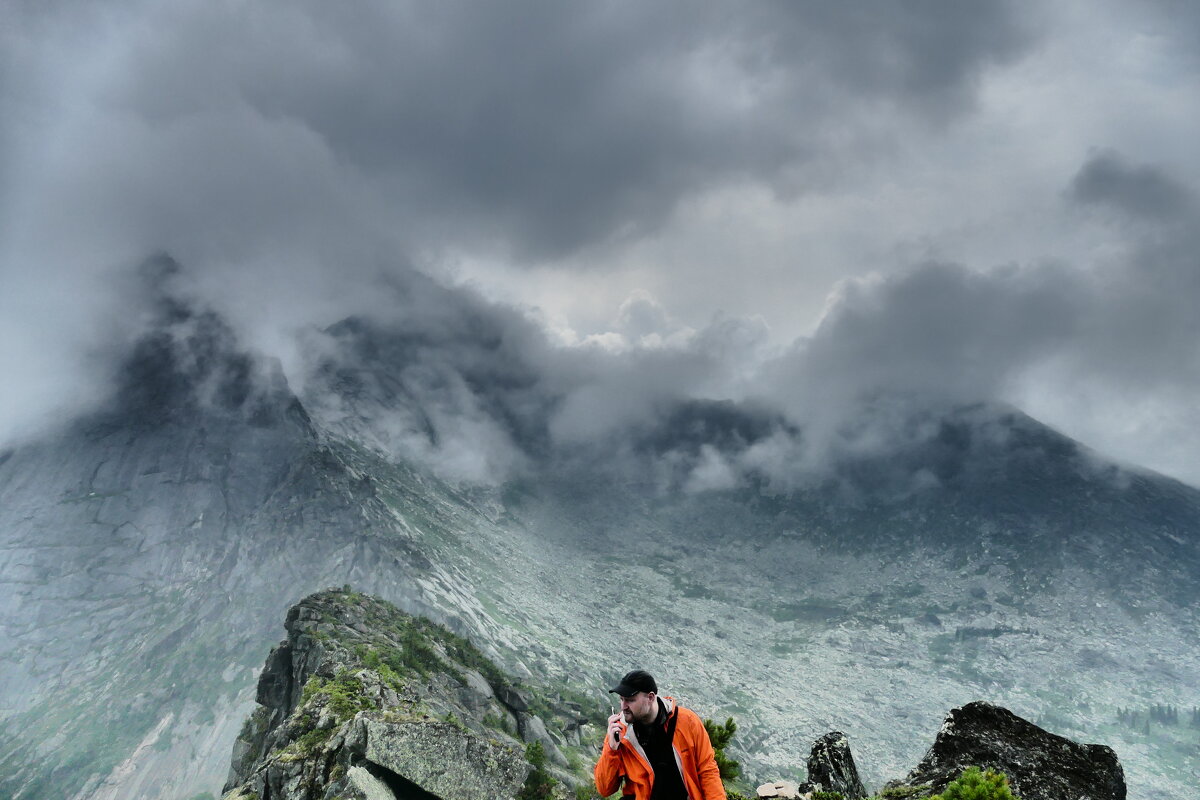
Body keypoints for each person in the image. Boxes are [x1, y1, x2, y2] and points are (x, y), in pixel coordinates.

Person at [594, 669, 726, 800]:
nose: (623, 706)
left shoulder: (687, 721)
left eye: (630, 700)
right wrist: (611, 749)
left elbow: (707, 770)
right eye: (621, 699)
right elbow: (605, 789)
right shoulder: (619, 732)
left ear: (650, 697)